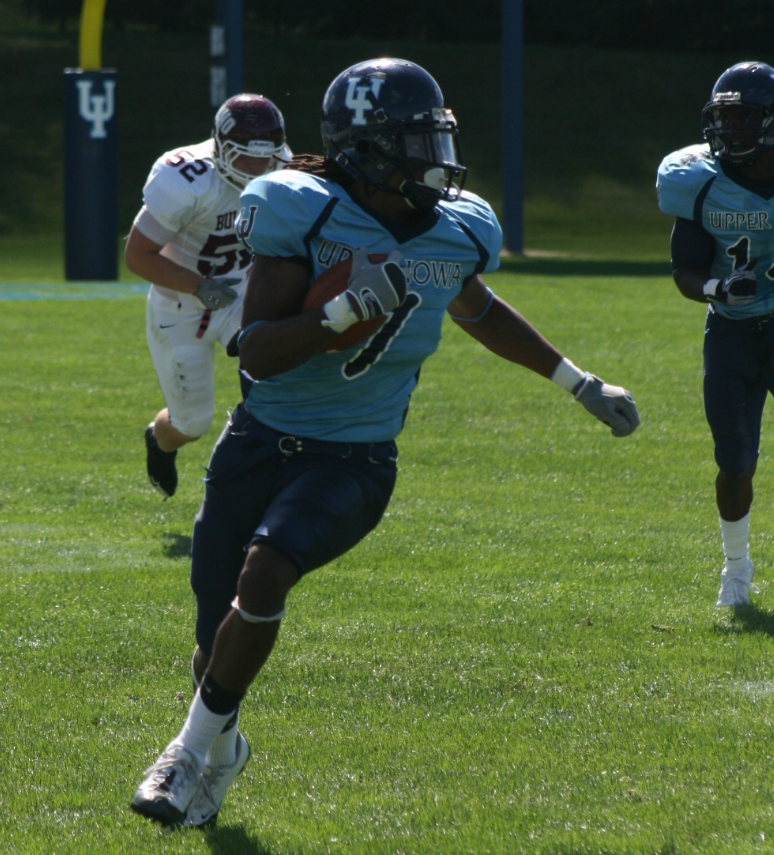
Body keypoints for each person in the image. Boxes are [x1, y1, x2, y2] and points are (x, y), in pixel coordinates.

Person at [130, 58, 640, 826]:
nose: (432, 156)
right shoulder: (297, 209)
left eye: (436, 136)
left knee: (265, 572)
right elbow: (259, 352)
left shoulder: (459, 225)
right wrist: (334, 317)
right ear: (364, 146)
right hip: (258, 441)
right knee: (215, 645)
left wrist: (579, 383)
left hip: (355, 458)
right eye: (412, 139)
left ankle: (185, 754)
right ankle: (223, 746)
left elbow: (481, 309)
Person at [126, 94, 289, 497]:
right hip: (179, 305)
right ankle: (159, 440)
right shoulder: (185, 179)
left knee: (273, 363)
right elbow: (136, 255)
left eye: (263, 158)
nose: (256, 167)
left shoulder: (283, 164)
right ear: (220, 147)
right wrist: (199, 286)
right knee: (190, 425)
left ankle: (260, 463)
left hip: (241, 293)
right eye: (245, 157)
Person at [657, 61, 774, 608]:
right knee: (735, 461)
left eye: (744, 118)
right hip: (732, 332)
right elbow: (684, 271)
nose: (731, 131)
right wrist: (717, 289)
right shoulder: (698, 181)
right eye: (724, 118)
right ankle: (736, 571)